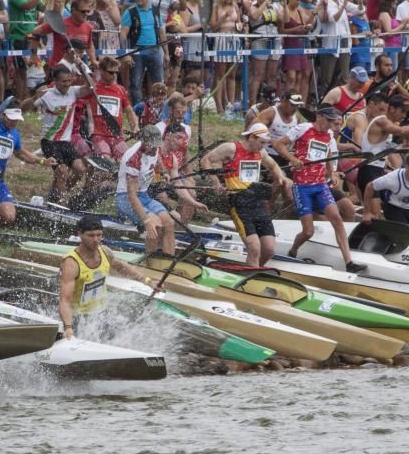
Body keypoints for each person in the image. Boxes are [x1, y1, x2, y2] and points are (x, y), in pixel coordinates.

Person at [273, 107, 366, 271]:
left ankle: (349, 262)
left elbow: (328, 155)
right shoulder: (303, 129)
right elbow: (278, 144)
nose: (330, 125)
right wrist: (292, 158)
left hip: (320, 185)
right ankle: (293, 251)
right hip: (302, 187)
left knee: (337, 219)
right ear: (319, 117)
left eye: (333, 122)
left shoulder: (329, 134)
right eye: (329, 121)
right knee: (308, 232)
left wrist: (332, 173)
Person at [0, 107, 55, 259]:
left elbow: (21, 153)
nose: (14, 122)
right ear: (3, 115)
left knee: (9, 217)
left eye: (16, 120)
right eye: (11, 119)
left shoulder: (14, 134)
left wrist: (42, 161)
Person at [201, 124, 291, 266]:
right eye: (261, 143)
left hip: (258, 202)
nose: (263, 147)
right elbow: (205, 160)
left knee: (269, 249)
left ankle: (252, 269)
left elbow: (273, 166)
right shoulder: (231, 148)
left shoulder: (261, 153)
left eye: (265, 143)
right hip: (239, 203)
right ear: (251, 137)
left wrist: (281, 177)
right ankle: (250, 275)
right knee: (254, 247)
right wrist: (216, 183)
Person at [58, 214, 157, 340]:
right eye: (91, 235)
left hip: (101, 313)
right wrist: (68, 327)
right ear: (80, 234)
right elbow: (64, 300)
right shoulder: (71, 263)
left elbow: (122, 268)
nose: (96, 239)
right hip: (78, 318)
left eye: (99, 235)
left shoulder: (104, 251)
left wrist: (147, 281)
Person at [116, 125, 203, 255]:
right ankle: (150, 262)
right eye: (153, 146)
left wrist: (163, 173)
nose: (155, 149)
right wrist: (146, 220)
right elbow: (132, 195)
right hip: (126, 198)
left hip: (144, 195)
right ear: (144, 142)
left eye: (157, 145)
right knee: (155, 225)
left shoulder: (154, 147)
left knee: (168, 223)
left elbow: (157, 160)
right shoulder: (133, 160)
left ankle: (169, 259)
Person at [22, 65, 89, 204]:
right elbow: (22, 108)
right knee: (62, 171)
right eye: (64, 81)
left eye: (69, 81)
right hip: (49, 141)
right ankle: (57, 203)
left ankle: (57, 195)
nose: (67, 84)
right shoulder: (47, 94)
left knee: (80, 169)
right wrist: (34, 96)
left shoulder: (73, 91)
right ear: (56, 81)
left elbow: (92, 87)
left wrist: (82, 66)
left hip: (65, 142)